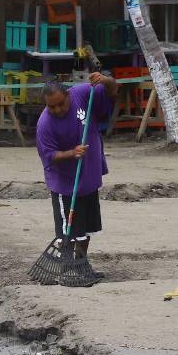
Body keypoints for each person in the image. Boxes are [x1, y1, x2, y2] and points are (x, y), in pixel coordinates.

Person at [35, 73, 118, 260]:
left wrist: (105, 80)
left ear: (68, 95)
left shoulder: (82, 93)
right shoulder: (45, 124)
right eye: (51, 106)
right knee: (68, 230)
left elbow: (113, 90)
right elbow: (48, 155)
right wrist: (71, 153)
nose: (57, 110)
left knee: (86, 229)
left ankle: (81, 263)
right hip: (66, 184)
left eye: (60, 104)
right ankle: (65, 263)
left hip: (88, 177)